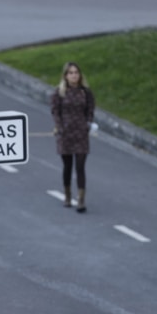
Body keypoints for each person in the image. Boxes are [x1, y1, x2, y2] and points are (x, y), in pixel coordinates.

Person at [50, 61, 96, 213]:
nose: (74, 75)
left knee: (80, 166)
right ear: (65, 75)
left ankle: (81, 199)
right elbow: (55, 111)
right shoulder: (59, 92)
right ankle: (68, 195)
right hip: (65, 133)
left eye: (76, 72)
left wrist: (88, 123)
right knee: (67, 166)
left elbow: (90, 109)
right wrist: (59, 126)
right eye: (71, 73)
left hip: (81, 133)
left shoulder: (85, 92)